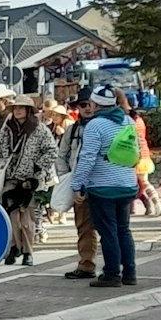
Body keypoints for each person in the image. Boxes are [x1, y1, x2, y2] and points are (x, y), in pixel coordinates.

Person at [69, 84, 140, 287]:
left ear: (95, 104)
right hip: (127, 184)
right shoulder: (128, 121)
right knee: (123, 230)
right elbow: (135, 152)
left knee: (108, 231)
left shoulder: (95, 125)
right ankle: (129, 273)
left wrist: (78, 185)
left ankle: (111, 274)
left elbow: (88, 158)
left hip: (103, 186)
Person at [0, 96, 56, 266]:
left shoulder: (39, 129)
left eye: (21, 107)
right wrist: (0, 167)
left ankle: (28, 252)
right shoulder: (7, 128)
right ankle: (14, 247)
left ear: (28, 110)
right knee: (11, 216)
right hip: (10, 177)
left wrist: (36, 168)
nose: (18, 110)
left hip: (30, 179)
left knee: (27, 220)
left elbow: (51, 151)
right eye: (15, 107)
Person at [57, 89, 102, 279]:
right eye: (83, 105)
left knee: (108, 227)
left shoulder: (103, 128)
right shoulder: (72, 130)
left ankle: (114, 267)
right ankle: (86, 265)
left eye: (90, 104)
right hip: (80, 186)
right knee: (84, 227)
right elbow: (62, 155)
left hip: (101, 184)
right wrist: (66, 177)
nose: (87, 108)